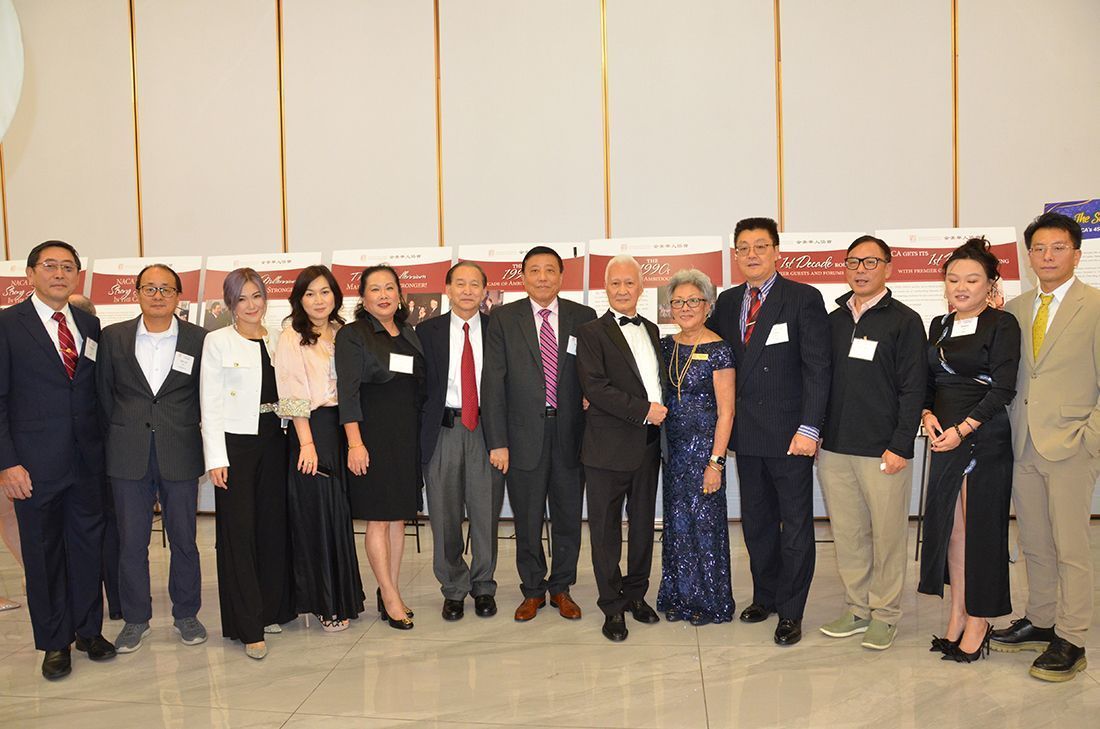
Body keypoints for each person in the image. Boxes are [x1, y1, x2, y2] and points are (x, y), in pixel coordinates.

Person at [708, 217, 830, 646]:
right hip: (746, 436)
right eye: (743, 247)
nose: (752, 254)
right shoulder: (727, 303)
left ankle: (792, 611)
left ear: (777, 251)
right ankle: (766, 596)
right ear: (735, 255)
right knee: (757, 521)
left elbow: (818, 368)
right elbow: (715, 361)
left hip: (790, 435)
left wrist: (810, 428)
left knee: (794, 526)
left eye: (761, 246)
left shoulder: (802, 298)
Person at [0, 240, 115, 679]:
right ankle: (54, 642)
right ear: (30, 274)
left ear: (78, 276)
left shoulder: (89, 323)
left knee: (87, 549)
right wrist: (7, 463)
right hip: (33, 466)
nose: (60, 274)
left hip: (87, 462)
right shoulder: (8, 325)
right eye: (50, 266)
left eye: (68, 267)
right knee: (43, 554)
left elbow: (93, 392)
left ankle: (88, 631)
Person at [994, 212, 1099, 681]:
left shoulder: (1095, 307)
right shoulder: (1016, 310)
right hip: (1023, 444)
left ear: (1076, 254)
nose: (1047, 256)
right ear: (1029, 255)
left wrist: (1090, 438)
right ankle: (1040, 620)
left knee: (1071, 546)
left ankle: (1072, 637)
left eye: (1058, 248)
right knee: (1034, 541)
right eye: (1038, 248)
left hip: (1072, 445)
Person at [817, 236, 927, 650]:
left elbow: (914, 388)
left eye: (870, 262)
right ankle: (857, 608)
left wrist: (901, 445)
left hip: (883, 450)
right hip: (835, 448)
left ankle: (885, 614)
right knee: (848, 535)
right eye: (853, 262)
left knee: (887, 536)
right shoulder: (833, 320)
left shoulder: (904, 321)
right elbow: (819, 380)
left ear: (888, 268)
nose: (860, 270)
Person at [918, 238, 1020, 663]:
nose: (961, 287)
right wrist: (927, 413)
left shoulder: (1002, 324)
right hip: (944, 437)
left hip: (982, 437)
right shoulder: (939, 325)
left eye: (972, 280)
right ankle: (958, 613)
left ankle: (980, 620)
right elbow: (928, 381)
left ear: (990, 283)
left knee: (981, 531)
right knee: (953, 532)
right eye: (953, 279)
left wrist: (963, 429)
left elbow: (1003, 389)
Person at [97, 264, 208, 654]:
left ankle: (186, 614)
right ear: (137, 293)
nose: (158, 296)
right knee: (131, 542)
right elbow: (103, 395)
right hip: (128, 454)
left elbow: (205, 395)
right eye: (150, 288)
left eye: (166, 289)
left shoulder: (199, 339)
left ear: (179, 296)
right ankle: (135, 619)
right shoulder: (113, 337)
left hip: (180, 450)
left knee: (184, 539)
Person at [482, 246, 596, 622]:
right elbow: (493, 384)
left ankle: (561, 587)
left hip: (570, 435)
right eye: (534, 270)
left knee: (567, 517)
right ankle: (532, 590)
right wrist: (497, 442)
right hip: (521, 437)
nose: (543, 277)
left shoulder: (583, 317)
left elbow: (595, 373)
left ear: (561, 276)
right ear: (523, 277)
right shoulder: (503, 318)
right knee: (527, 519)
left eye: (550, 270)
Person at [199, 269, 295, 659]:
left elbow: (291, 390)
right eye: (241, 299)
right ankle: (248, 625)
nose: (251, 305)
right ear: (230, 304)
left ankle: (270, 609)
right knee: (239, 533)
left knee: (271, 529)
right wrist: (216, 458)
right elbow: (210, 402)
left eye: (257, 296)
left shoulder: (279, 338)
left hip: (276, 440)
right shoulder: (218, 341)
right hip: (236, 445)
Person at [576, 255, 667, 641]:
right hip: (606, 449)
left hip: (648, 447)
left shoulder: (652, 329)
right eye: (616, 283)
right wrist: (645, 410)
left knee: (643, 526)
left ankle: (636, 595)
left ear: (641, 287)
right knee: (605, 531)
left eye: (630, 283)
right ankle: (611, 605)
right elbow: (596, 388)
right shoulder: (590, 333)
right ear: (606, 288)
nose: (623, 289)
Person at [273, 265, 364, 632]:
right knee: (317, 517)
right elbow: (292, 392)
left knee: (338, 515)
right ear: (299, 299)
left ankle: (342, 597)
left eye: (325, 292)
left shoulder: (343, 332)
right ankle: (323, 602)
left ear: (336, 296)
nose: (318, 300)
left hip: (342, 427)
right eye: (309, 293)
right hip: (310, 430)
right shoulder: (291, 336)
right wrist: (306, 443)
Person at [335, 265, 424, 630]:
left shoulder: (408, 332)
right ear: (363, 297)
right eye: (375, 289)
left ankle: (391, 589)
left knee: (398, 517)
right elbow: (347, 392)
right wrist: (355, 443)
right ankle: (388, 596)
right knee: (378, 518)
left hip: (405, 437)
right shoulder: (353, 335)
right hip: (372, 436)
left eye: (390, 288)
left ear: (400, 295)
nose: (384, 295)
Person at [417, 262, 505, 621]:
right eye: (460, 284)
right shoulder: (426, 331)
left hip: (487, 430)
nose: (467, 291)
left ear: (485, 290)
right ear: (448, 289)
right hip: (444, 430)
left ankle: (483, 585)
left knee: (486, 512)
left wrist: (503, 439)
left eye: (474, 284)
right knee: (443, 513)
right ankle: (453, 587)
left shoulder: (499, 329)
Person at [656, 269, 735, 626]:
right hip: (672, 453)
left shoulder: (719, 350)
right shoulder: (666, 346)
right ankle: (679, 595)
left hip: (705, 453)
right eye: (678, 302)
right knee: (677, 525)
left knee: (705, 527)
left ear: (707, 306)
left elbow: (727, 412)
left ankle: (710, 601)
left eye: (693, 301)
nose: (685, 308)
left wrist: (716, 463)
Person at [68, 293, 122, 621]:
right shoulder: (101, 341)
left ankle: (115, 600)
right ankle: (114, 601)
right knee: (105, 528)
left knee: (107, 527)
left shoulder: (101, 342)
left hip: (103, 449)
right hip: (92, 450)